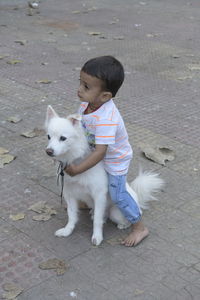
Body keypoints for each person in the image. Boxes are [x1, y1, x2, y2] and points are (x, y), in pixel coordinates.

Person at [65, 55, 149, 247]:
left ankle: (139, 226)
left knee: (117, 194)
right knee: (89, 177)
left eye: (86, 87)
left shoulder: (106, 118)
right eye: (80, 82)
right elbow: (81, 128)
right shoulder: (87, 103)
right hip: (96, 153)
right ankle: (88, 202)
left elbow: (100, 153)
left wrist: (77, 169)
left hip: (115, 160)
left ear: (105, 96)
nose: (79, 89)